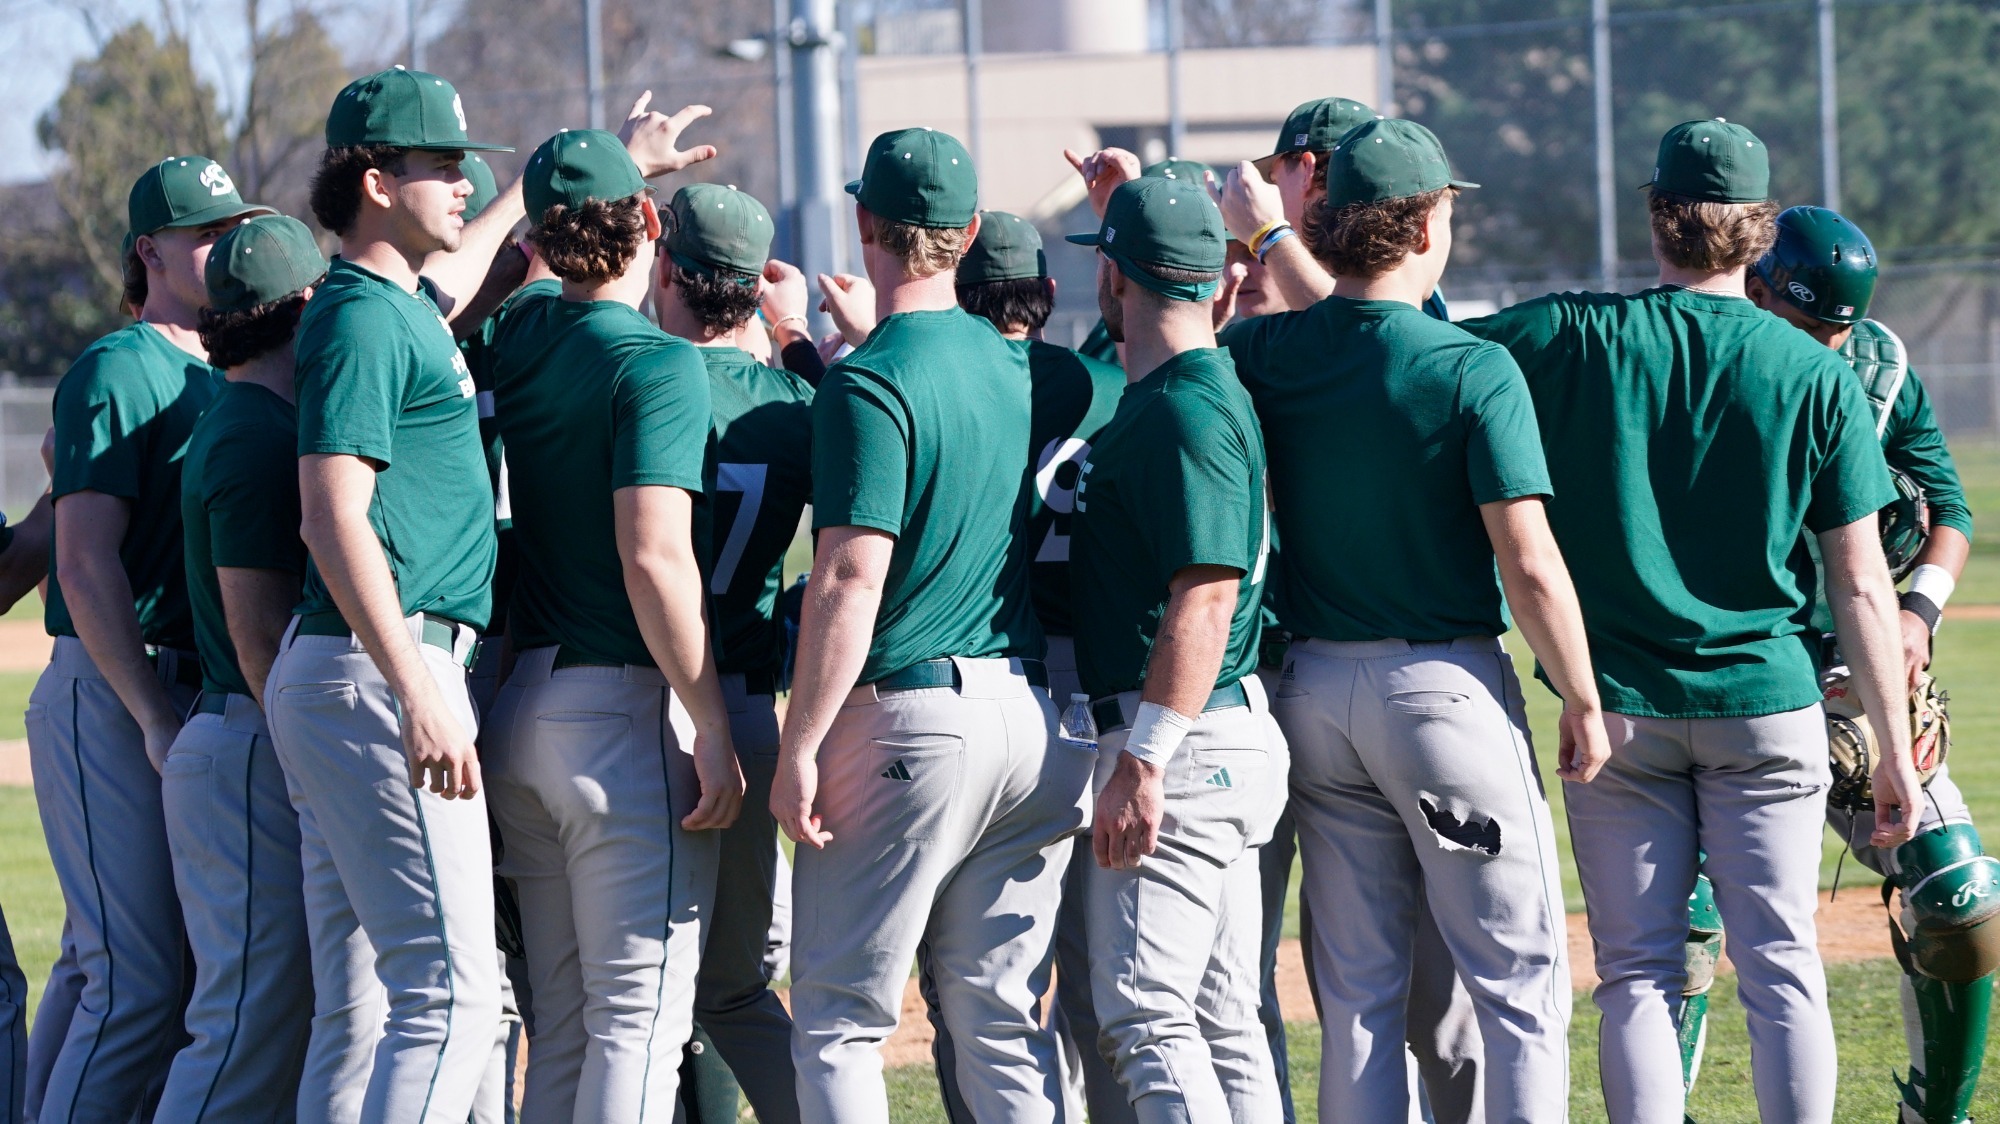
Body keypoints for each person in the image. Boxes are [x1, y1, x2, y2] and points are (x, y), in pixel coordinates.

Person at [1460, 118, 1918, 1124]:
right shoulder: (1814, 371)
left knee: (1635, 973)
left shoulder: (1572, 335)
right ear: (1759, 231)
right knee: (1781, 964)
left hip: (1617, 708)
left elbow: (1405, 335)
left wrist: (1275, 245)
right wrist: (1893, 750)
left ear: (1659, 217)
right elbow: (1858, 583)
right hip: (1767, 703)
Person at [1217, 118, 1603, 1123]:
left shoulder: (1258, 348)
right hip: (1442, 690)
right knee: (1518, 984)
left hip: (1311, 690)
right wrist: (1581, 692)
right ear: (1426, 225)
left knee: (1356, 1000)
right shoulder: (1471, 366)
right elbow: (1527, 561)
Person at [771, 127, 1092, 1124]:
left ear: (864, 222)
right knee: (999, 1017)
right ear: (968, 230)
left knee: (837, 1020)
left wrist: (800, 744)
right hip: (1033, 717)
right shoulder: (1025, 368)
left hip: (910, 714)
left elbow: (849, 574)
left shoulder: (869, 377)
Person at [477, 127, 742, 1122]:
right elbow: (654, 556)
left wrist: (602, 178)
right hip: (619, 712)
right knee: (637, 1026)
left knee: (566, 1025)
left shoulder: (521, 333)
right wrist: (710, 721)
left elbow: (526, 276)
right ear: (649, 223)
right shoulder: (658, 362)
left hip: (521, 705)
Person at [1734, 205, 1995, 1124]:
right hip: (1729, 680)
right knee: (1688, 931)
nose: (1826, 346)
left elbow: (1949, 510)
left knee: (1959, 897)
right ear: (1755, 290)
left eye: (1836, 329)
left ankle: (1937, 1115)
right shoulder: (1703, 359)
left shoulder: (1877, 367)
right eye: (1807, 324)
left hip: (1853, 678)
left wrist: (1917, 615)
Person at [32, 153, 269, 1122]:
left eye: (232, 229)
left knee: (123, 970)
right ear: (149, 253)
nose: (224, 246)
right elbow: (83, 564)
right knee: (133, 983)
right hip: (114, 687)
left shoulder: (232, 365)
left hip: (183, 687)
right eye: (203, 234)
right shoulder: (118, 368)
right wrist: (152, 716)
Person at [1065, 172, 1289, 1123]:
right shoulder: (1198, 387)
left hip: (1182, 743)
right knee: (1220, 1017)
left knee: (1147, 1016)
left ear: (1114, 278)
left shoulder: (1182, 408)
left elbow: (1206, 598)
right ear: (1221, 281)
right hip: (1219, 732)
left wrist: (1145, 761)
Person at [921, 208, 1129, 1123]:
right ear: (1048, 293)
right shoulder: (1110, 388)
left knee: (978, 973)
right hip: (1108, 686)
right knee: (1102, 972)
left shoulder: (956, 389)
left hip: (1005, 675)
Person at [649, 180, 819, 1124]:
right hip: (750, 710)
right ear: (752, 290)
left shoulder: (633, 378)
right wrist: (793, 331)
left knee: (624, 995)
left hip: (644, 705)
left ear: (667, 271)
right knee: (733, 987)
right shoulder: (795, 405)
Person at [158, 213, 325, 1120]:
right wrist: (312, 768)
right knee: (244, 1029)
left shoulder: (255, 416)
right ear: (302, 306)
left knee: (274, 1024)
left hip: (244, 737)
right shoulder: (253, 431)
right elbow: (257, 632)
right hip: (250, 741)